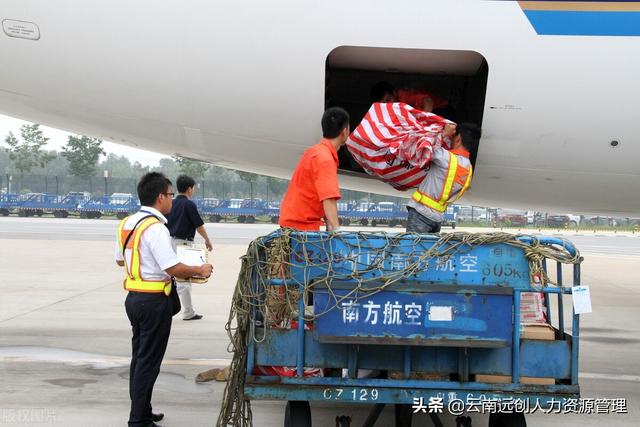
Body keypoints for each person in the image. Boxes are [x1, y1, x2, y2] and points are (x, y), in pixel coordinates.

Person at [115, 172, 213, 427]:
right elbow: (172, 268)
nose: (172, 199)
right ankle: (138, 420)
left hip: (134, 299)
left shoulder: (127, 223)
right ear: (160, 197)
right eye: (170, 194)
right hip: (153, 302)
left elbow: (119, 260)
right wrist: (200, 270)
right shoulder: (156, 228)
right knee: (148, 363)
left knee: (140, 359)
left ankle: (143, 411)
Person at [279, 107, 350, 231]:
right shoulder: (325, 159)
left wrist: (329, 225)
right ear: (344, 131)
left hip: (293, 223)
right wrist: (337, 230)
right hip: (301, 226)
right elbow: (328, 199)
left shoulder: (315, 151)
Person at [406, 123, 481, 233]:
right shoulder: (468, 168)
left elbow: (424, 145)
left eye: (454, 136)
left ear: (458, 139)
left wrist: (445, 133)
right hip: (437, 218)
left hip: (421, 213)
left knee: (414, 244)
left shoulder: (445, 157)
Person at [166, 175, 213, 321]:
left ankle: (171, 308)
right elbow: (199, 225)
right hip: (183, 244)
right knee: (184, 278)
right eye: (193, 188)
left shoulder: (171, 203)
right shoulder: (189, 205)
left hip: (170, 241)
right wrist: (207, 240)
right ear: (189, 189)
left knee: (170, 276)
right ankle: (188, 312)